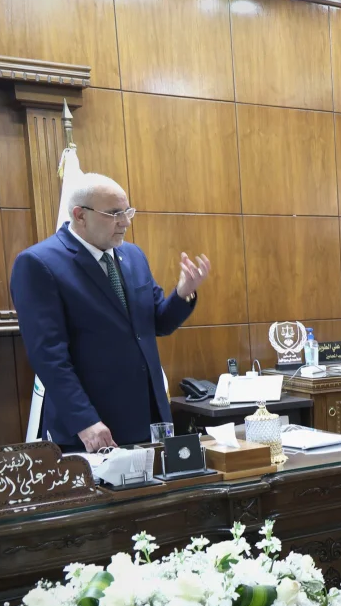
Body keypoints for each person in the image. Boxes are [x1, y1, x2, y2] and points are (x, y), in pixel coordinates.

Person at [11, 173, 211, 452]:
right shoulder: (39, 263)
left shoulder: (133, 255)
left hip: (149, 421)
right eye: (115, 213)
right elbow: (49, 356)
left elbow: (158, 323)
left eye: (128, 212)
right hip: (92, 430)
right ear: (80, 215)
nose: (125, 222)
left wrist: (182, 293)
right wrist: (85, 421)